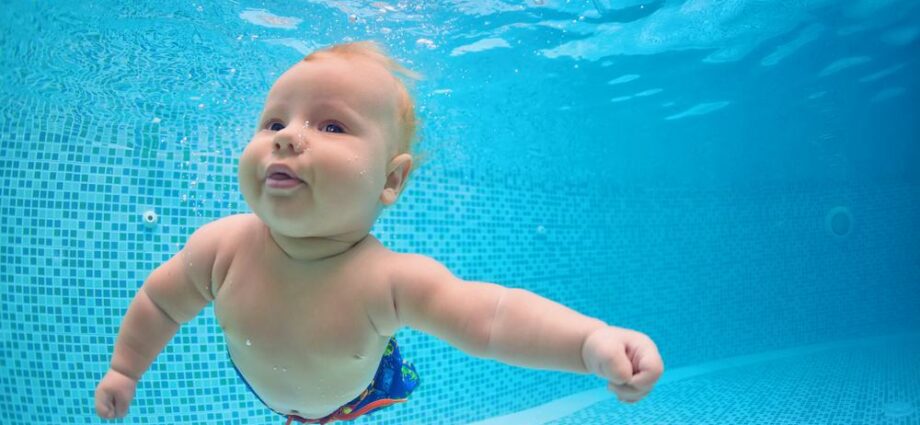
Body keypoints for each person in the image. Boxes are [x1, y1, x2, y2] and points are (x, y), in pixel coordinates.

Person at [94, 41, 664, 424]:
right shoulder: (219, 249)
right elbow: (160, 304)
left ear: (390, 181)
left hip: (358, 397)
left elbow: (491, 319)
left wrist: (589, 342)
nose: (288, 136)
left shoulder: (390, 280)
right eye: (274, 121)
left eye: (332, 125)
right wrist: (126, 367)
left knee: (392, 364)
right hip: (265, 386)